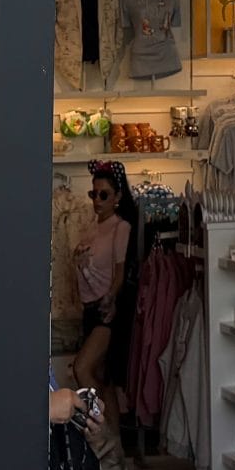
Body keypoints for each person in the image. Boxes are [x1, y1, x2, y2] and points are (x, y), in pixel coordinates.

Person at [69, 161, 138, 431]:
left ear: (117, 196)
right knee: (101, 378)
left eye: (104, 194)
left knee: (82, 368)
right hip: (89, 308)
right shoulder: (94, 226)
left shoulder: (120, 228)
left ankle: (103, 430)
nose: (97, 200)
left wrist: (111, 299)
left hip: (105, 309)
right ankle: (114, 442)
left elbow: (120, 271)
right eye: (93, 193)